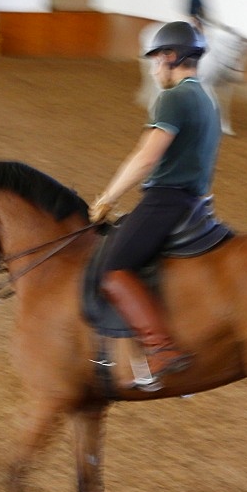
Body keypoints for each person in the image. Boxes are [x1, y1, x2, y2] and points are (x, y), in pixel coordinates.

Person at [90, 21, 221, 389]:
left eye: (155, 60)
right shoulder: (207, 100)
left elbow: (146, 158)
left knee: (112, 269)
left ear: (170, 57)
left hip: (166, 200)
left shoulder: (174, 97)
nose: (152, 69)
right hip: (196, 201)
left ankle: (160, 349)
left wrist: (107, 197)